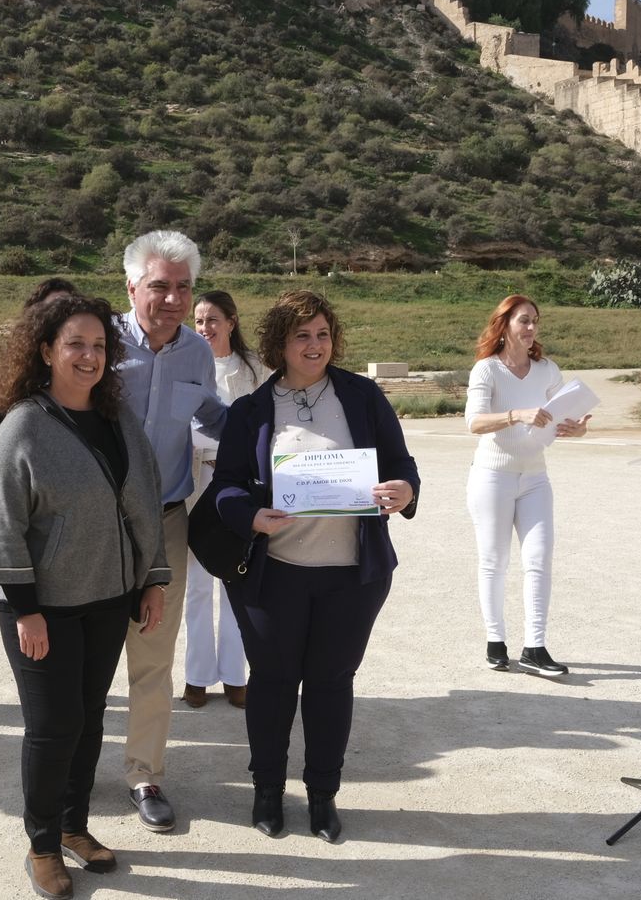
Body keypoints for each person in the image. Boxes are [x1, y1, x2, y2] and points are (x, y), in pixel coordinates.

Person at [208, 289, 418, 842]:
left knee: (330, 685)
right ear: (280, 341)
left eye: (323, 334)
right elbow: (224, 486)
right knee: (273, 685)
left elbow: (401, 466)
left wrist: (404, 490)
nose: (315, 344)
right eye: (303, 335)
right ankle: (268, 794)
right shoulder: (251, 410)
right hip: (274, 573)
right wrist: (251, 516)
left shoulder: (362, 396)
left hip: (352, 574)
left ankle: (323, 797)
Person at [0, 295, 169, 900]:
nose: (89, 356)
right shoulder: (24, 424)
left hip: (109, 598)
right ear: (46, 352)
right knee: (52, 726)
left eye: (98, 346)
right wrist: (25, 607)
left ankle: (73, 826)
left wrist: (152, 580)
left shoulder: (118, 420)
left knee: (88, 722)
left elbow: (145, 501)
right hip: (45, 607)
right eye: (75, 345)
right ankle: (40, 847)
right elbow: (0, 524)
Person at [114, 230, 226, 831]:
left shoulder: (197, 354)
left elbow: (211, 416)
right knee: (87, 653)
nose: (174, 298)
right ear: (131, 286)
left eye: (184, 287)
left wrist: (284, 445)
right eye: (160, 286)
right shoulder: (97, 343)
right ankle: (72, 769)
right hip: (98, 529)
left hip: (165, 524)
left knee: (154, 657)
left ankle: (144, 774)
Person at [464, 294, 590, 677]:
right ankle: (495, 642)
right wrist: (517, 414)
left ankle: (535, 648)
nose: (532, 328)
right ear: (504, 326)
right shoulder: (486, 370)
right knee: (494, 561)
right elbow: (473, 423)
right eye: (524, 320)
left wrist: (577, 428)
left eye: (535, 320)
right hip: (492, 476)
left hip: (535, 477)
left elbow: (561, 415)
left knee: (538, 559)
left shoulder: (548, 370)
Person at [183, 290, 269, 709]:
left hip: (240, 488)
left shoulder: (257, 371)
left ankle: (236, 674)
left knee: (235, 578)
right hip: (193, 482)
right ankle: (197, 675)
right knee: (197, 584)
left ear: (232, 322)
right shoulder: (184, 362)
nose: (204, 328)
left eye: (213, 320)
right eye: (198, 321)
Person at [0, 277, 76, 436]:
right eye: (54, 307)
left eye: (69, 306)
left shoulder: (87, 363)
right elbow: (0, 431)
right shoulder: (18, 371)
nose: (62, 314)